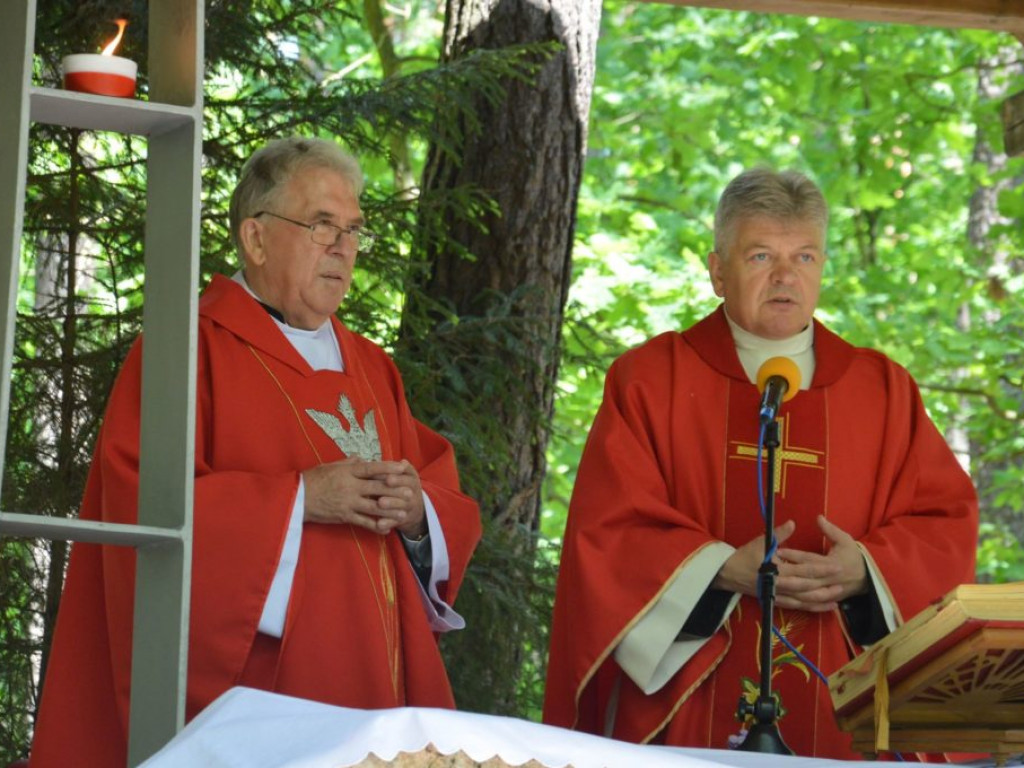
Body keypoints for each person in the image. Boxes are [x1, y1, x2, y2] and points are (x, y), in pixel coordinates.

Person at [30, 137, 482, 766]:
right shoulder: (188, 349)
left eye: (353, 230)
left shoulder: (373, 368)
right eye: (322, 225)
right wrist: (300, 499)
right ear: (256, 238)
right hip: (260, 698)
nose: (342, 248)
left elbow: (443, 495)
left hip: (375, 687)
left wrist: (416, 514)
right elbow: (144, 513)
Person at [543, 168, 978, 759]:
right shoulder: (651, 380)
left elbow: (944, 526)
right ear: (717, 270)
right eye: (760, 256)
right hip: (692, 690)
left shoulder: (883, 390)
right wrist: (720, 568)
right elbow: (610, 533)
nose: (785, 276)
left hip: (844, 694)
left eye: (804, 256)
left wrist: (867, 572)